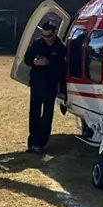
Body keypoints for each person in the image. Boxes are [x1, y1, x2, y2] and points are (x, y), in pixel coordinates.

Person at [24, 22, 67, 154]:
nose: (46, 38)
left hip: (50, 85)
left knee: (47, 115)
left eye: (48, 36)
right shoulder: (37, 43)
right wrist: (35, 62)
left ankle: (41, 143)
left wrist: (49, 63)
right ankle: (32, 142)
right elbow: (27, 58)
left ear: (54, 34)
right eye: (43, 35)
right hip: (36, 84)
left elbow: (63, 68)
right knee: (34, 113)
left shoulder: (60, 47)